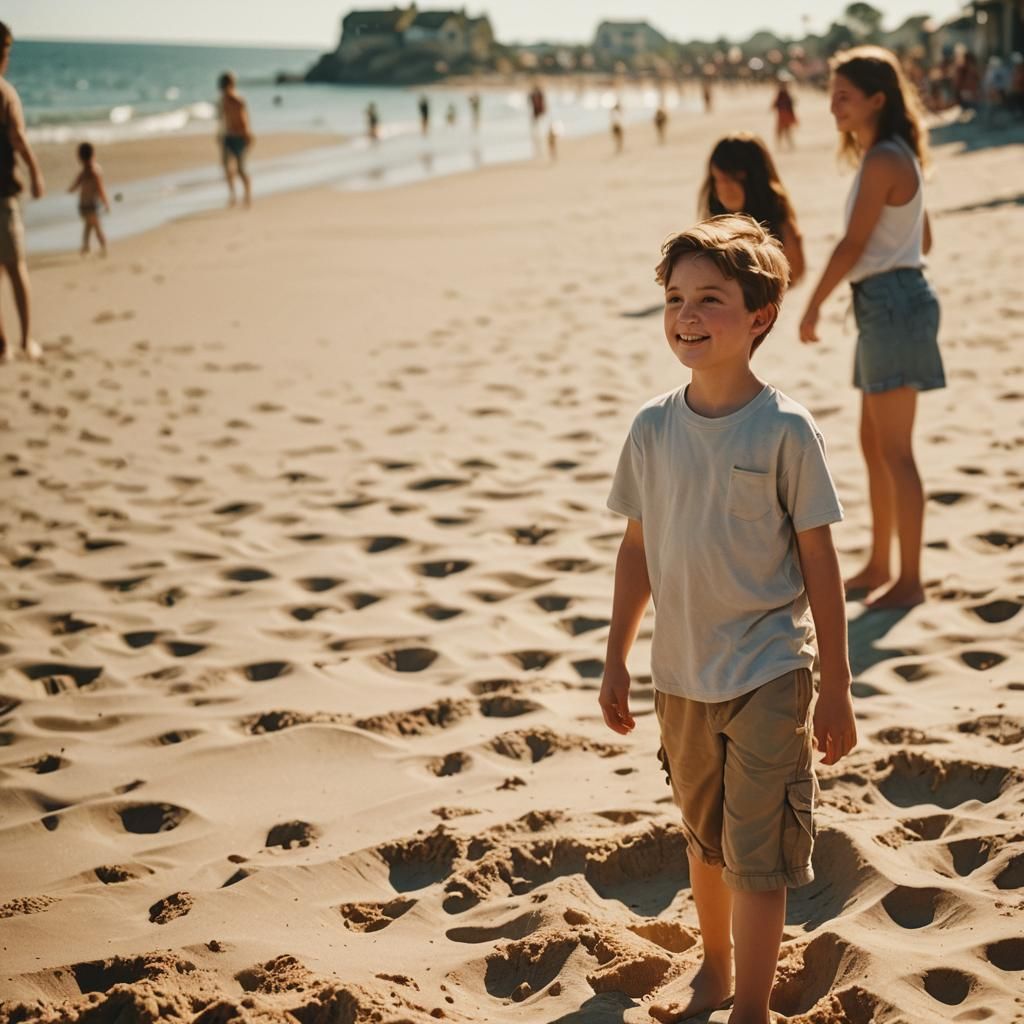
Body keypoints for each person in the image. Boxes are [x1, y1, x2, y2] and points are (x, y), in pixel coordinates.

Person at [601, 214, 855, 1024]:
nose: (687, 314)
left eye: (711, 298)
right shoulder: (650, 429)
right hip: (678, 675)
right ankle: (713, 970)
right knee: (703, 842)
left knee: (758, 855)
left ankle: (751, 1007)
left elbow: (821, 565)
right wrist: (615, 659)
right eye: (675, 297)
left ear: (759, 317)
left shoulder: (785, 430)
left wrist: (838, 689)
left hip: (770, 672)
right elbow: (635, 552)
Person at [799, 46, 943, 610]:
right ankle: (881, 563)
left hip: (893, 302)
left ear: (876, 100)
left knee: (896, 450)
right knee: (871, 443)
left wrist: (812, 305)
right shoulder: (887, 154)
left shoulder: (885, 158)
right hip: (885, 301)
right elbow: (921, 238)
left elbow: (855, 243)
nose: (833, 104)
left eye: (843, 95)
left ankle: (910, 581)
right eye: (832, 93)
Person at [699, 132, 805, 284]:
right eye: (718, 179)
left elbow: (796, 274)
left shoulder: (780, 225)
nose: (724, 187)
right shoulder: (714, 229)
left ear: (755, 180)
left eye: (733, 179)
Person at [0, 21, 44, 363]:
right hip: (4, 195)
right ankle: (25, 340)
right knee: (16, 268)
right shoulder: (4, 92)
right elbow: (17, 136)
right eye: (7, 51)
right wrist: (35, 171)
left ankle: (2, 344)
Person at [217, 71, 253, 208]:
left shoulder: (238, 101)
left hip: (239, 137)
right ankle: (232, 195)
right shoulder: (223, 101)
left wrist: (247, 136)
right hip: (228, 137)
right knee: (226, 167)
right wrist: (220, 134)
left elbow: (244, 121)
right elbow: (222, 120)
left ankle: (247, 195)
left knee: (240, 169)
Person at [68, 142, 110, 256]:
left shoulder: (83, 173)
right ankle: (103, 247)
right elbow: (101, 190)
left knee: (88, 226)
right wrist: (106, 203)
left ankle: (87, 246)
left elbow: (75, 186)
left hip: (83, 205)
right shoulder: (96, 171)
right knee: (96, 227)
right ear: (93, 154)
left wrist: (70, 189)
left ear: (80, 157)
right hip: (92, 205)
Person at [772, 76, 798, 149]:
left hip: (785, 114)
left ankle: (785, 144)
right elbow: (775, 104)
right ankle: (781, 145)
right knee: (784, 130)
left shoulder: (784, 93)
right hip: (783, 114)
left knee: (785, 130)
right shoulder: (781, 93)